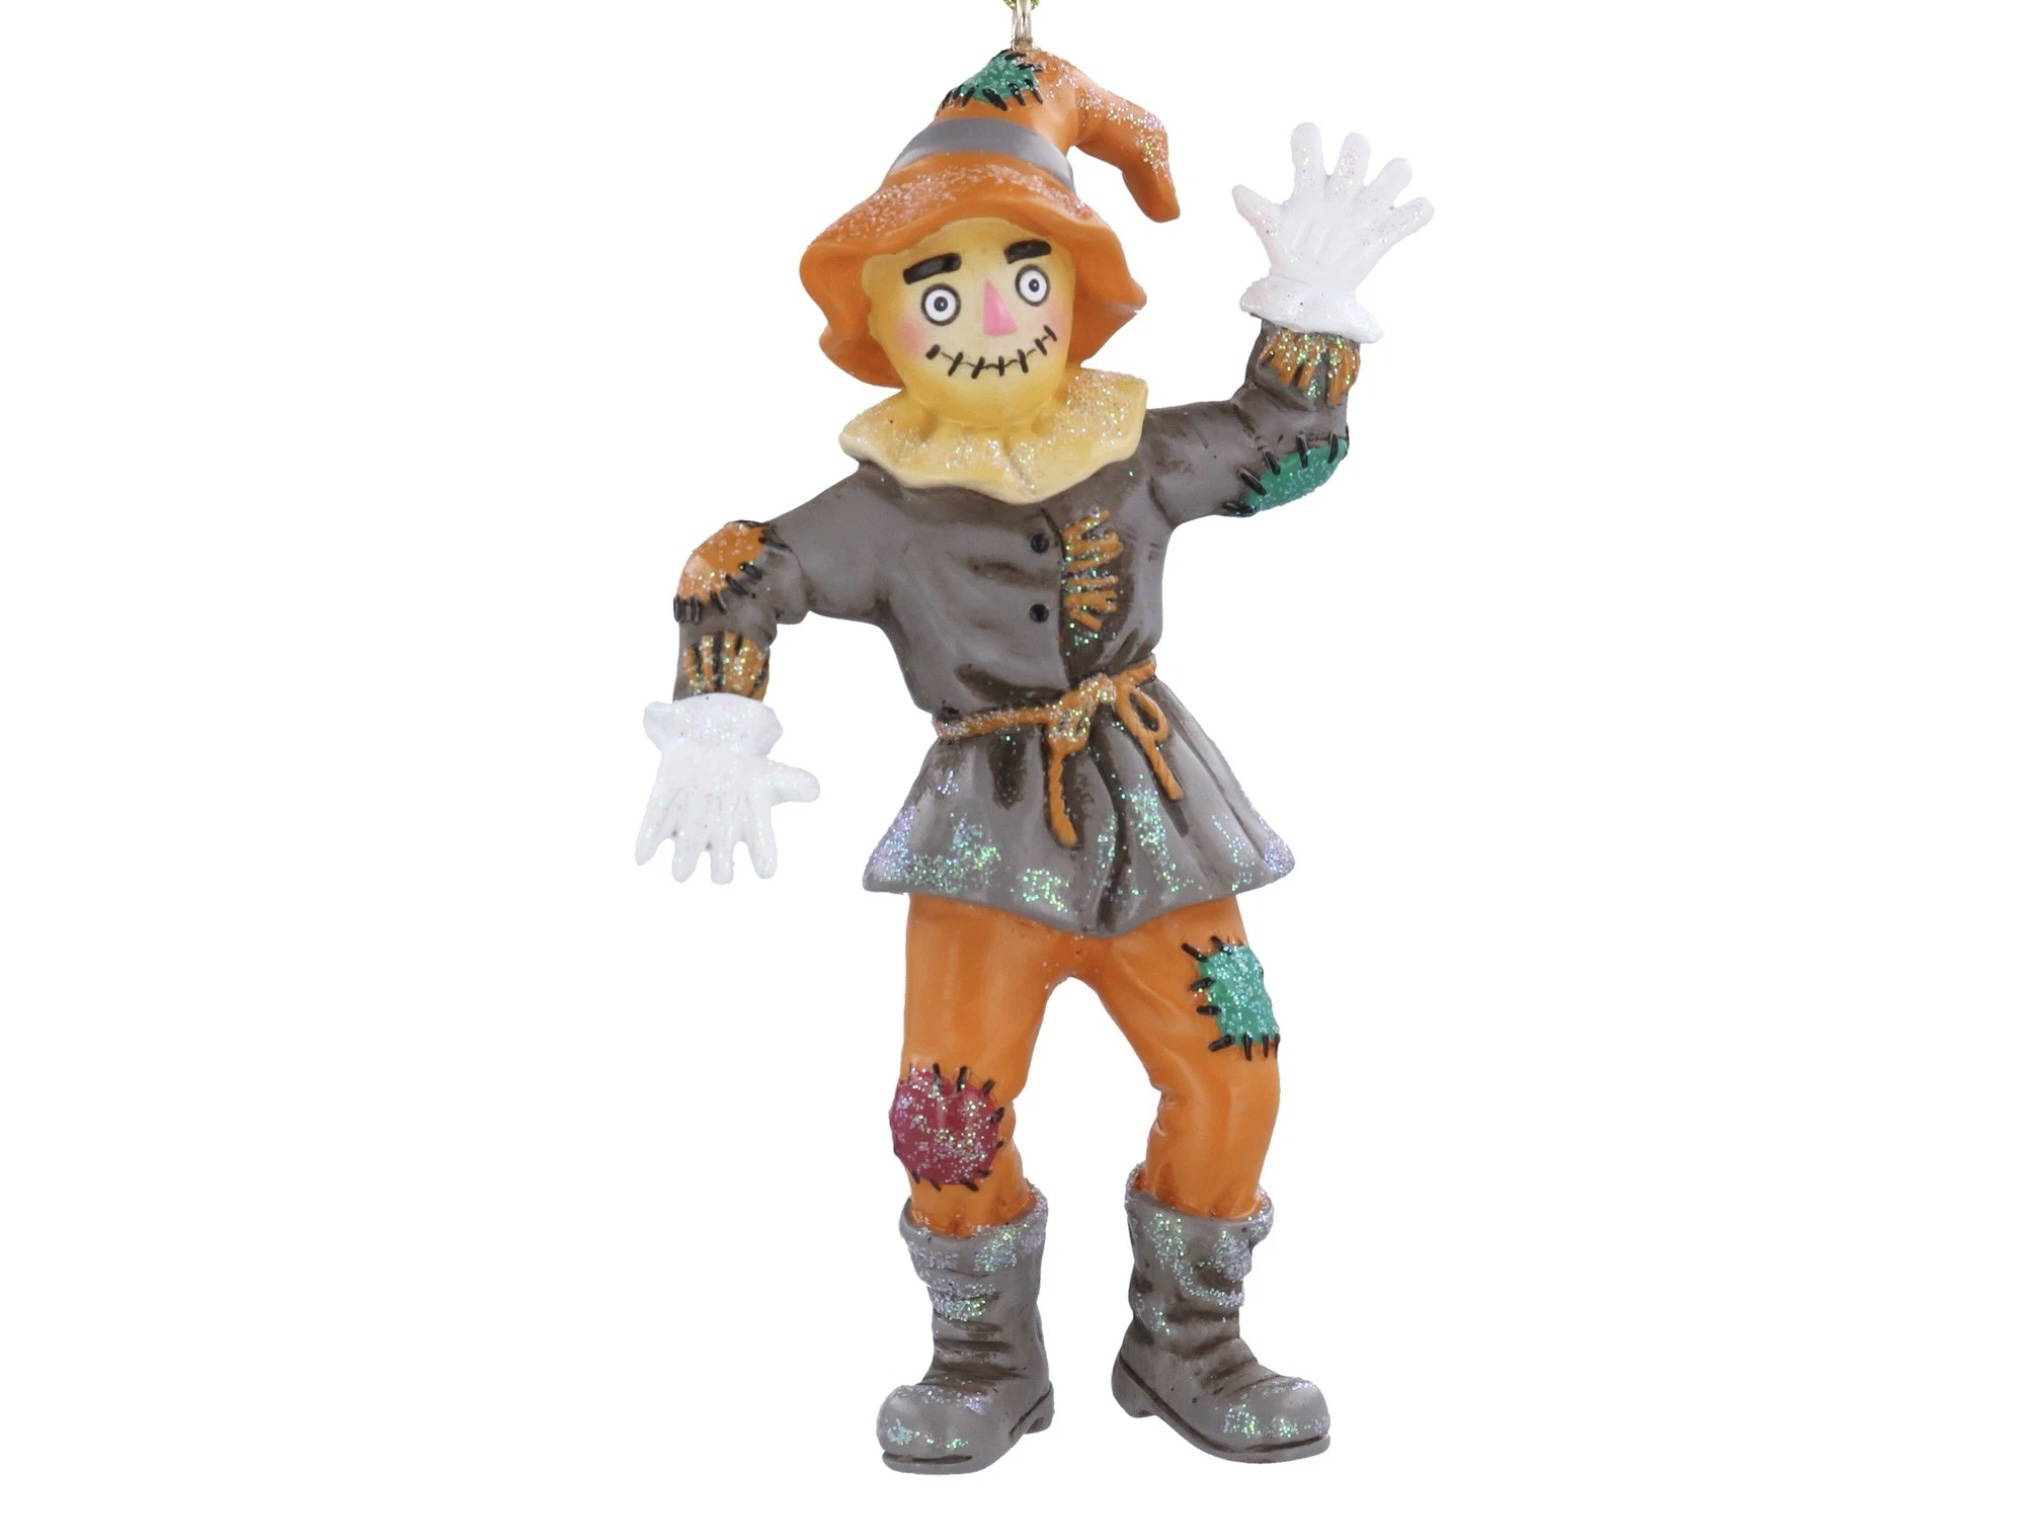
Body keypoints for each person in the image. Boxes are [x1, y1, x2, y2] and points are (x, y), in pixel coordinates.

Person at [637, 46, 1430, 1471]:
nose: (989, 319)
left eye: (1023, 277)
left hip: (1158, 814)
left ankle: (1188, 1341)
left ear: (1075, 294)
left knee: (1235, 1068)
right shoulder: (880, 508)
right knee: (946, 1113)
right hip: (981, 844)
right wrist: (716, 715)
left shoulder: (1133, 454)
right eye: (938, 293)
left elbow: (1287, 447)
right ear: (881, 324)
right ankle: (984, 1359)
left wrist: (1308, 310)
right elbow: (737, 572)